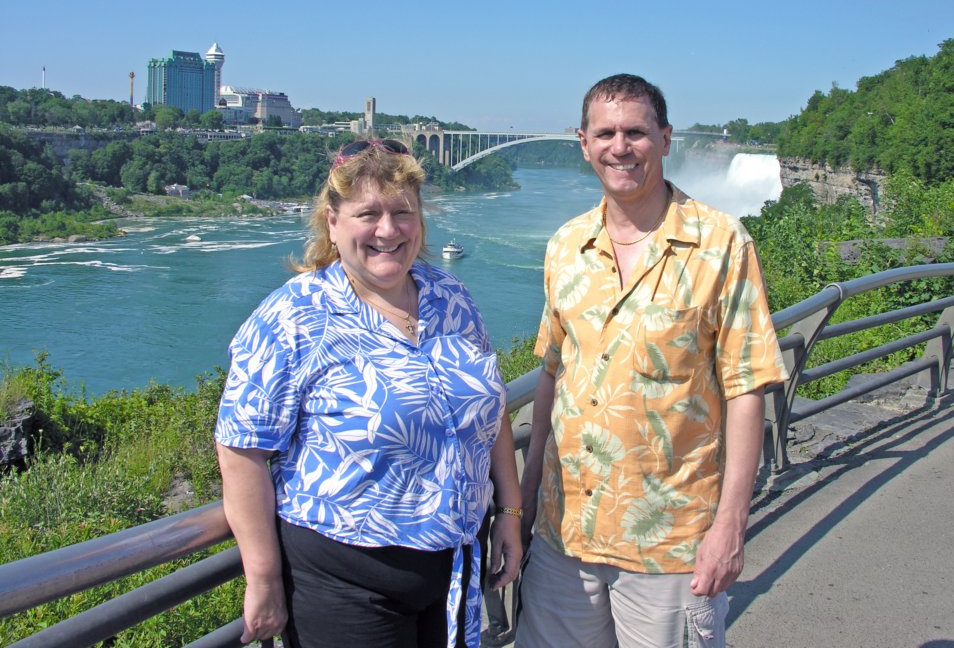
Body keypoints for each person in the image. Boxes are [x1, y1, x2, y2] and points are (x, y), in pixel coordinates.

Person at [215, 138, 522, 648]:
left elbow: (490, 411)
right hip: (346, 584)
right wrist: (264, 579)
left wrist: (508, 513)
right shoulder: (292, 317)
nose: (387, 230)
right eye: (368, 213)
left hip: (453, 572)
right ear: (332, 222)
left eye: (402, 212)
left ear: (421, 220)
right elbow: (241, 449)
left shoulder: (450, 297)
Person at [515, 75, 788, 648]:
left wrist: (731, 527)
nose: (621, 146)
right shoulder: (565, 246)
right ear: (583, 142)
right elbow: (552, 374)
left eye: (636, 132)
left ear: (664, 139)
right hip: (563, 537)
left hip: (670, 543)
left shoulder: (722, 244)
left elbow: (747, 389)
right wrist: (522, 504)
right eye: (606, 133)